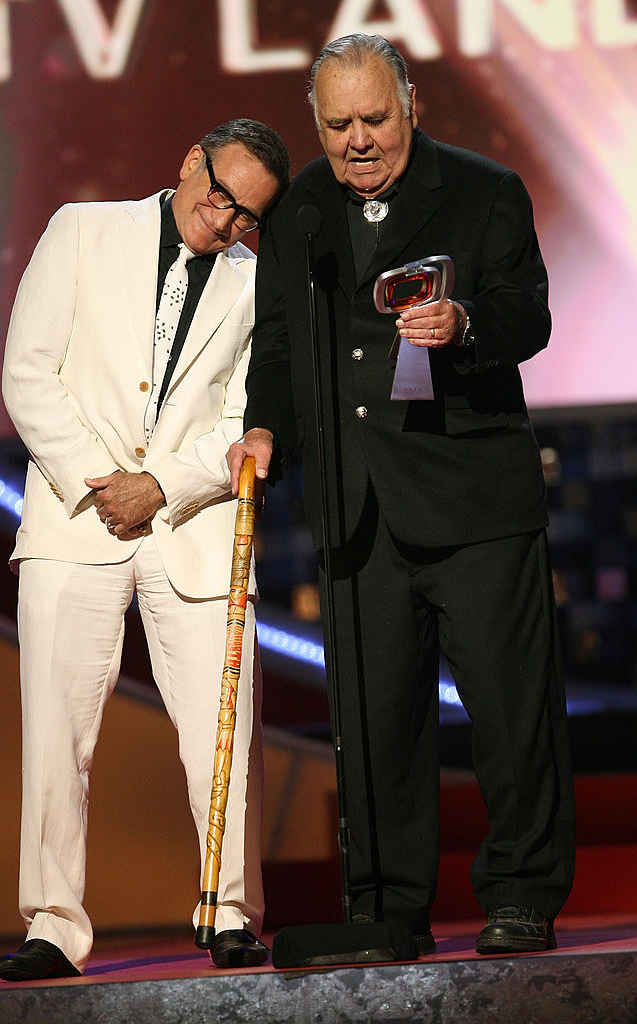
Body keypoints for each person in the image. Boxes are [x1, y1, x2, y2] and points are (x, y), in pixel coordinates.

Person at [228, 35, 575, 956]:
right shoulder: (299, 211)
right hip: (356, 506)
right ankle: (387, 906)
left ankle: (521, 894)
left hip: (473, 501)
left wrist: (463, 323)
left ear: (410, 103)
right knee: (377, 727)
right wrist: (269, 425)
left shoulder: (483, 190)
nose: (357, 141)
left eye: (374, 118)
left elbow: (529, 313)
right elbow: (276, 344)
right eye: (337, 124)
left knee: (509, 710)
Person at [0, 118, 290, 981]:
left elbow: (244, 416)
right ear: (190, 163)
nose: (228, 222)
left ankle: (229, 907)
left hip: (191, 523)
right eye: (223, 196)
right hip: (72, 518)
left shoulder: (252, 279)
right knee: (56, 734)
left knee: (222, 729)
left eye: (249, 216)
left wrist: (161, 485)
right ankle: (52, 923)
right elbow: (27, 369)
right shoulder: (83, 229)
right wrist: (101, 479)